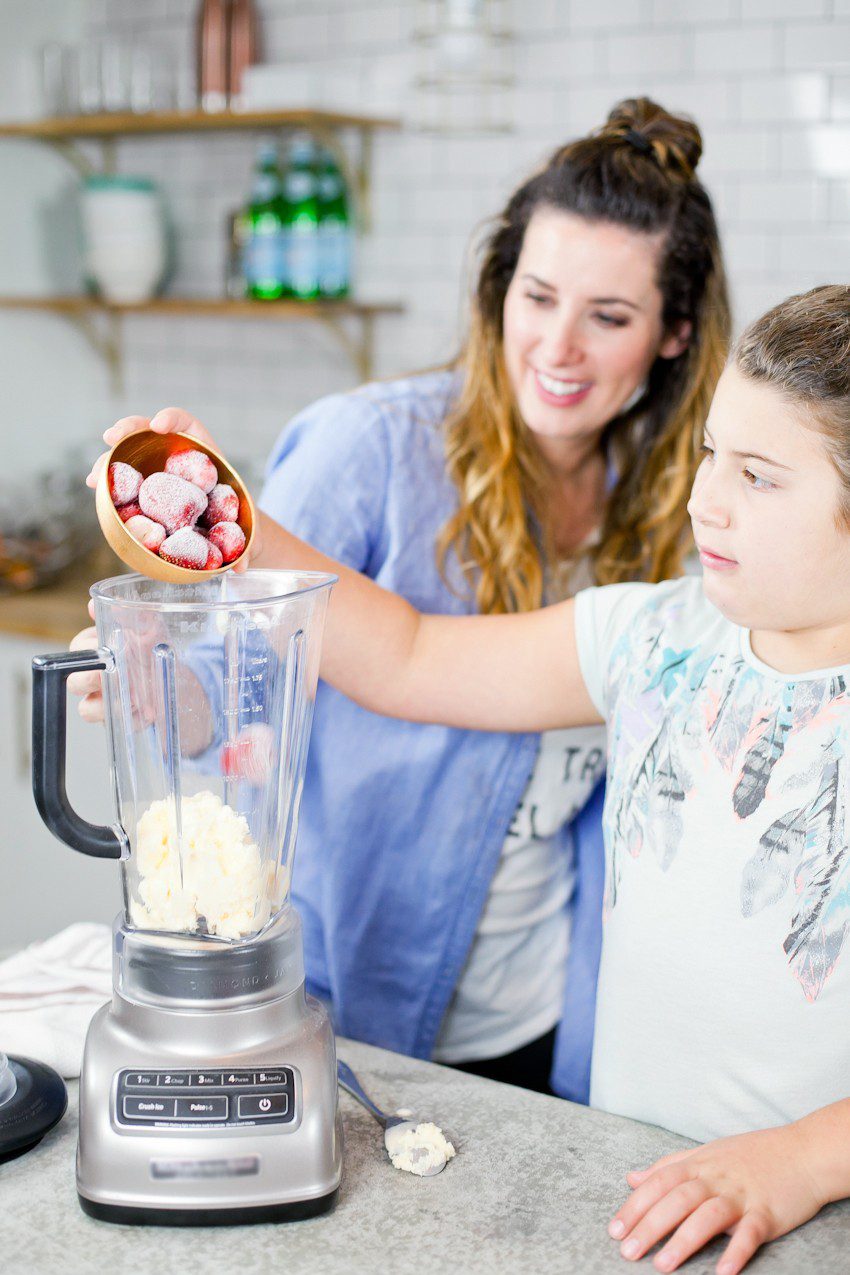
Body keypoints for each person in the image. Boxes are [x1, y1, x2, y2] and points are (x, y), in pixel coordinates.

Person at [90, 285, 850, 1272]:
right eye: (710, 453)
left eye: (757, 475)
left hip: (812, 1216)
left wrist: (803, 1160)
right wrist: (239, 525)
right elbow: (407, 655)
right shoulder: (652, 636)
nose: (706, 499)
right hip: (628, 1188)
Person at [76, 97, 730, 1100]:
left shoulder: (673, 508)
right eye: (537, 297)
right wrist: (159, 688)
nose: (557, 347)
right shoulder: (369, 448)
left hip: (553, 1020)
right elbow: (233, 702)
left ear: (674, 334)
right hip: (360, 1013)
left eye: (608, 317)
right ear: (498, 290)